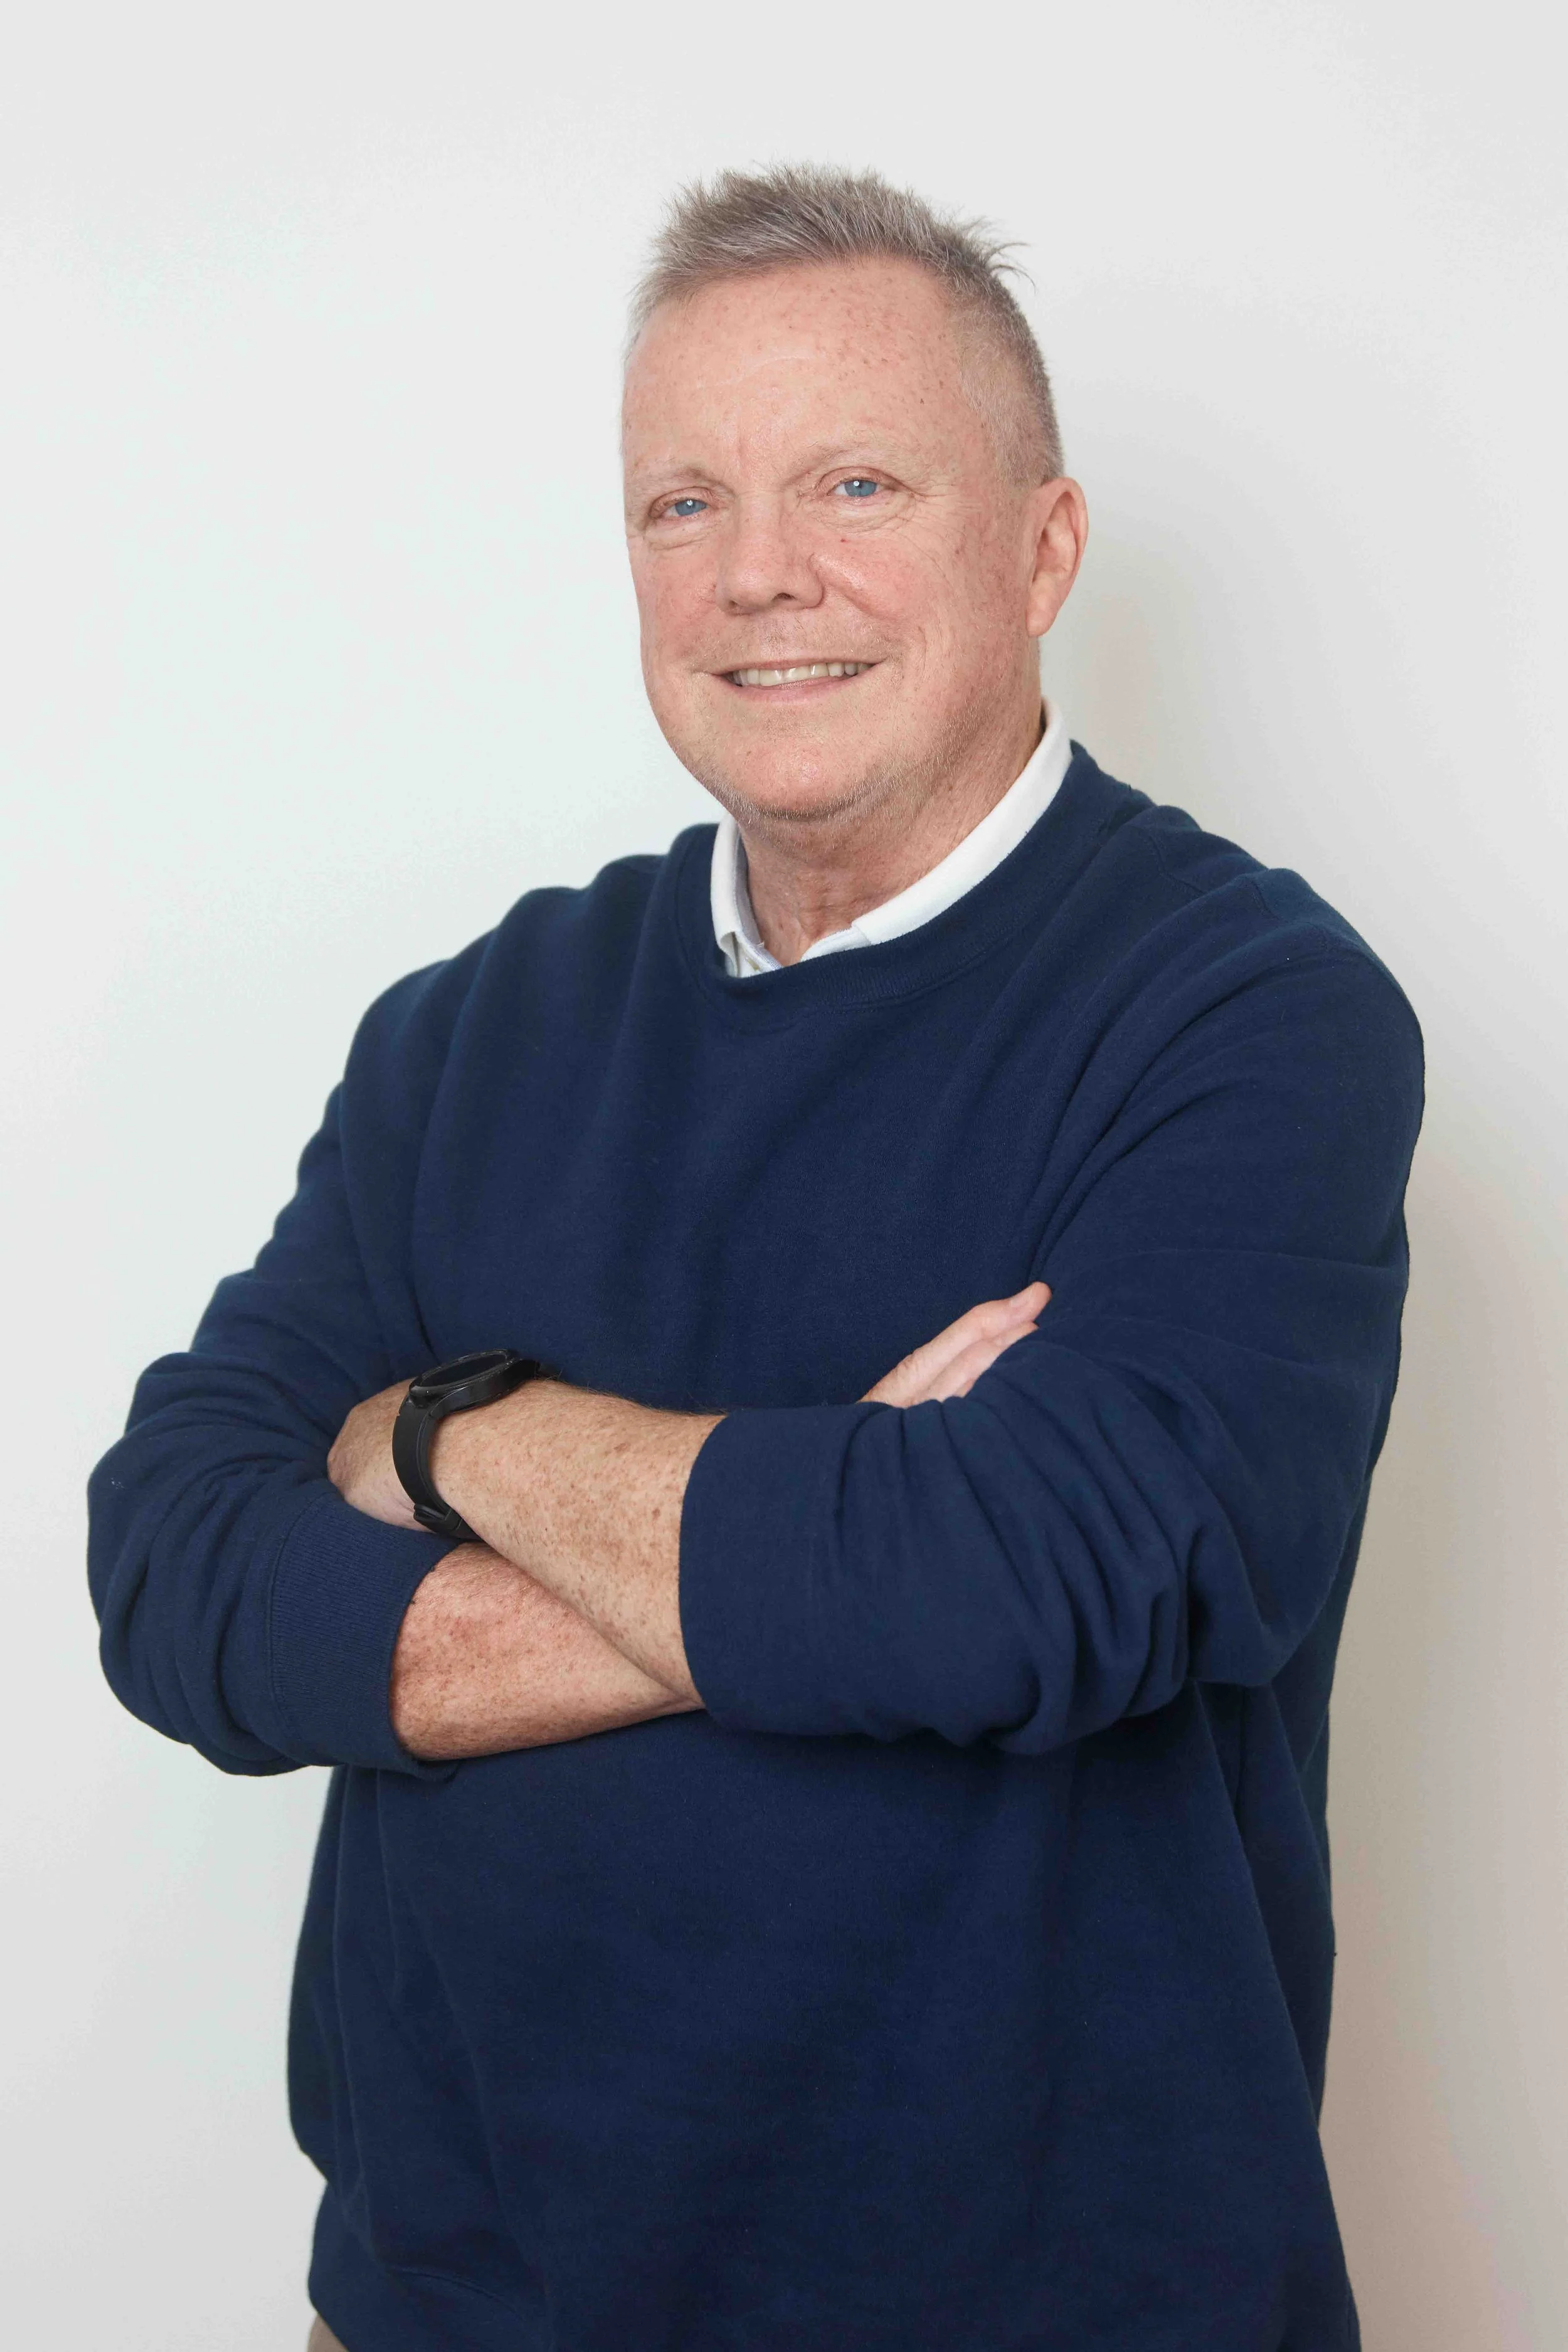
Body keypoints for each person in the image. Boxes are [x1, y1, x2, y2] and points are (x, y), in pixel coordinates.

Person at [88, 164, 1423, 2352]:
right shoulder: (475, 1028)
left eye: (856, 481)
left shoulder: (1245, 1012)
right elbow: (176, 1576)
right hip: (454, 2310)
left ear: (1043, 545)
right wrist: (811, 1526)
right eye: (678, 504)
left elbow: (1025, 1586)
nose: (758, 576)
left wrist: (444, 1427)